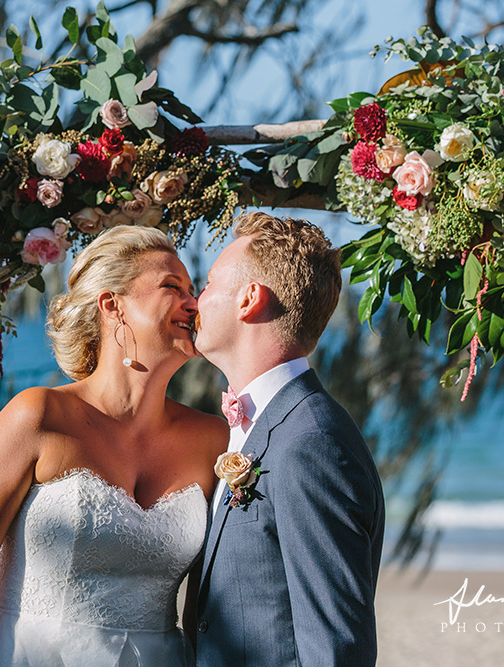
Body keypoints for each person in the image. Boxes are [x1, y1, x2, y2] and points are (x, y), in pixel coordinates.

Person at [0, 225, 229, 667]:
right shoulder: (38, 417)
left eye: (194, 290)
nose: (194, 303)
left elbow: (204, 610)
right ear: (112, 305)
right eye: (173, 287)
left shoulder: (213, 439)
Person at [193, 212, 386, 666]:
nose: (195, 299)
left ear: (248, 299)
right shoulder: (266, 424)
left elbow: (335, 647)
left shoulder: (311, 443)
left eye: (209, 282)